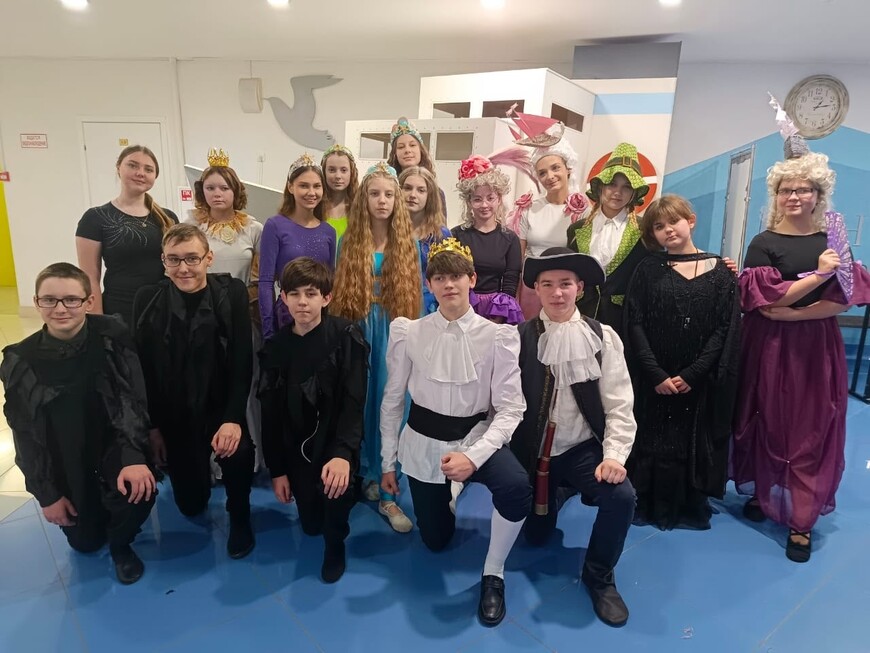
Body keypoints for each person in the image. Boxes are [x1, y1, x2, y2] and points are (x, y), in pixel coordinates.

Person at [731, 112, 870, 563]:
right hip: (767, 345)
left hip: (814, 348)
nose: (794, 196)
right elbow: (764, 302)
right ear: (776, 195)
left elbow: (842, 300)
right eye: (786, 189)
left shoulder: (833, 240)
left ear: (818, 195)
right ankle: (764, 490)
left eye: (803, 189)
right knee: (764, 416)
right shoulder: (763, 242)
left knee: (810, 425)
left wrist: (796, 312)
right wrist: (816, 278)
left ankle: (801, 520)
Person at [380, 239, 531, 627]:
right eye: (440, 277)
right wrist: (387, 463)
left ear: (472, 279)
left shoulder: (498, 336)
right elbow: (393, 400)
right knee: (434, 541)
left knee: (516, 486)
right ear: (429, 284)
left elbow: (511, 408)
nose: (449, 284)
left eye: (457, 276)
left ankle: (494, 570)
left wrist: (473, 457)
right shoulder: (409, 331)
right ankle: (449, 494)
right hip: (424, 440)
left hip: (476, 436)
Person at [1, 263, 156, 584]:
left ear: (88, 301)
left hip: (113, 442)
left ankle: (121, 545)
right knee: (85, 542)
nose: (60, 309)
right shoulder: (21, 359)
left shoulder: (112, 335)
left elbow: (131, 398)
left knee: (138, 488)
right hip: (65, 455)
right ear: (37, 302)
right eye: (49, 300)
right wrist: (46, 495)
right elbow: (25, 433)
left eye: (71, 299)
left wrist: (133, 457)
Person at [510, 247, 636, 627]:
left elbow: (619, 404)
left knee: (622, 497)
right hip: (534, 454)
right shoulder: (518, 338)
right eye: (547, 284)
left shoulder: (603, 337)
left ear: (579, 288)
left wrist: (613, 456)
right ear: (536, 289)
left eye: (565, 283)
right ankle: (556, 493)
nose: (557, 293)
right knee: (536, 535)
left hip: (583, 450)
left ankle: (599, 575)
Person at [132, 224, 256, 559]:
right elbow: (145, 370)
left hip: (218, 407)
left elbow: (242, 360)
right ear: (163, 261)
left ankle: (240, 514)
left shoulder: (230, 293)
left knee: (240, 452)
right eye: (174, 259)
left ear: (208, 258)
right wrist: (153, 428)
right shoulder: (148, 299)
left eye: (192, 258)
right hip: (175, 412)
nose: (183, 268)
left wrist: (233, 419)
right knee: (190, 504)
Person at [624, 195, 741, 530]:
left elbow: (725, 327)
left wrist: (694, 372)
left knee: (688, 438)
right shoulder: (647, 270)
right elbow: (635, 322)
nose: (668, 230)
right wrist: (655, 373)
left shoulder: (721, 272)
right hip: (655, 376)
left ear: (690, 220)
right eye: (659, 226)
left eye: (673, 221)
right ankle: (647, 501)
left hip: (697, 379)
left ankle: (687, 504)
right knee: (653, 436)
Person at [259, 257, 369, 583]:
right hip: (298, 449)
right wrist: (277, 470)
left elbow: (353, 403)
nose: (302, 302)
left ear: (326, 297)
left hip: (335, 442)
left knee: (334, 505)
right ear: (283, 297)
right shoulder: (277, 348)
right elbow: (270, 416)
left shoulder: (345, 336)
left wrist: (343, 454)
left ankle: (336, 544)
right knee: (310, 526)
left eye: (311, 293)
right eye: (294, 294)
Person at [330, 162, 422, 533]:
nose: (381, 201)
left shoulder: (408, 244)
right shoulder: (349, 242)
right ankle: (365, 473)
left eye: (388, 194)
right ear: (363, 199)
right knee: (359, 400)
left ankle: (388, 491)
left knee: (392, 404)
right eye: (374, 194)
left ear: (396, 200)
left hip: (394, 332)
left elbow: (414, 301)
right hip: (359, 330)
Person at [186, 149, 265, 470]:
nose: (217, 193)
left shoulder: (254, 228)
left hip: (242, 316)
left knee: (246, 382)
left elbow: (262, 277)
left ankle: (250, 456)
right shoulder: (191, 228)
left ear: (236, 191)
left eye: (224, 187)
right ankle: (211, 460)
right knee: (208, 384)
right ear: (202, 191)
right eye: (210, 188)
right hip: (203, 316)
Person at [76, 144, 179, 328]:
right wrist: (97, 323)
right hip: (119, 311)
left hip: (163, 308)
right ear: (118, 168)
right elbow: (90, 277)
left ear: (155, 176)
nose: (140, 173)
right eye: (133, 165)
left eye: (148, 169)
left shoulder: (168, 217)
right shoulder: (95, 218)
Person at [565, 143, 650, 334]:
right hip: (580, 317)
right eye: (612, 184)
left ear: (634, 192)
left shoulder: (644, 230)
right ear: (601, 186)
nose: (618, 192)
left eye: (627, 187)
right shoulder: (576, 229)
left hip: (624, 321)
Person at [508, 124, 589, 320]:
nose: (550, 177)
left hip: (564, 291)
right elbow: (518, 259)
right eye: (542, 173)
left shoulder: (582, 211)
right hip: (532, 289)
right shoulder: (528, 209)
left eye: (555, 168)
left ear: (568, 169)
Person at [259, 153, 337, 340]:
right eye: (304, 186)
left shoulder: (329, 231)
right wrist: (268, 330)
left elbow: (329, 282)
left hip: (319, 318)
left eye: (317, 186)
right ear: (290, 187)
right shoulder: (275, 226)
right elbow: (265, 282)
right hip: (287, 317)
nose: (311, 192)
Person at [451, 152, 530, 325]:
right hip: (463, 306)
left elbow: (510, 281)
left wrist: (498, 316)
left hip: (497, 310)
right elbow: (451, 276)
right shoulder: (456, 235)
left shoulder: (510, 239)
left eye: (490, 198)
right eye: (477, 199)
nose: (484, 205)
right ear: (469, 202)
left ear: (499, 199)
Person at [399, 166, 450, 313]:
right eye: (407, 188)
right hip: (394, 303)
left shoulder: (441, 234)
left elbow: (447, 278)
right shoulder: (388, 230)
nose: (412, 195)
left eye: (421, 190)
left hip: (430, 307)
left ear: (430, 196)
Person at [386, 117, 447, 218]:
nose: (407, 150)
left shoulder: (437, 193)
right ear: (395, 154)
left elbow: (440, 225)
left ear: (421, 150)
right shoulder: (387, 189)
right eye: (401, 147)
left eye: (412, 145)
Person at [321, 144, 359, 242]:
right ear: (324, 172)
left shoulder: (360, 208)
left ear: (352, 173)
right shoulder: (315, 207)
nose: (338, 176)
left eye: (343, 170)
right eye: (332, 170)